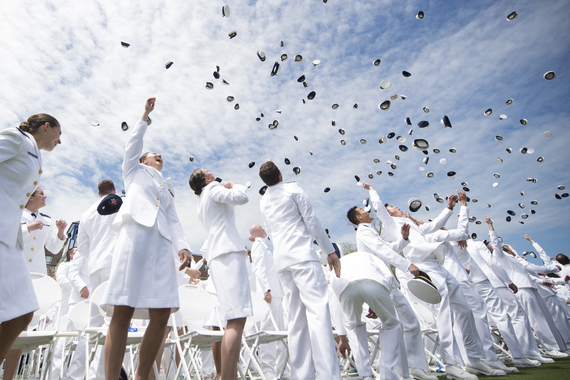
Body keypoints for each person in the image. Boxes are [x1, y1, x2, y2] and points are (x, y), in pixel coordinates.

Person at [361, 182, 503, 379]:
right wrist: (371, 190)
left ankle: (475, 360)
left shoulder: (414, 224)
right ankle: (452, 364)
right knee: (445, 314)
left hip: (438, 265)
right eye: (391, 206)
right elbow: (378, 208)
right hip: (423, 267)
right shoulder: (392, 224)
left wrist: (449, 207)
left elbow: (435, 224)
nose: (396, 206)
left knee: (465, 310)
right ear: (388, 212)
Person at [102, 98, 191, 380]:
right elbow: (132, 145)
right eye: (155, 154)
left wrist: (184, 246)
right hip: (136, 237)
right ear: (143, 160)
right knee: (123, 309)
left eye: (160, 155)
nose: (160, 157)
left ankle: (141, 377)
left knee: (163, 312)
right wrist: (145, 116)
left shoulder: (169, 186)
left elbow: (174, 219)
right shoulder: (134, 171)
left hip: (162, 243)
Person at [258, 161, 342, 380]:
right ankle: (328, 375)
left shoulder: (263, 200)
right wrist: (330, 250)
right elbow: (312, 220)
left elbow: (269, 231)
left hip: (282, 260)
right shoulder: (293, 189)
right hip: (302, 256)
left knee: (295, 318)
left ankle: (301, 375)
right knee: (318, 314)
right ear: (280, 174)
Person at [347, 187, 436, 380]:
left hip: (387, 282)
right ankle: (403, 371)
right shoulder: (363, 232)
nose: (368, 212)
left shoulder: (368, 231)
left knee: (407, 323)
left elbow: (387, 248)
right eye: (364, 212)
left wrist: (404, 239)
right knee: (398, 324)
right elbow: (383, 250)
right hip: (381, 283)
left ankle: (412, 369)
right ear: (359, 218)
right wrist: (407, 264)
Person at [0, 113, 62, 368]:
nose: (60, 141)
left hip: (9, 238)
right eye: (59, 134)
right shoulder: (16, 137)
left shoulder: (33, 153)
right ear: (46, 126)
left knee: (23, 313)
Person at [189, 168, 251, 380]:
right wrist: (234, 185)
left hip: (218, 255)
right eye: (209, 173)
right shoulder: (213, 188)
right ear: (206, 179)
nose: (212, 174)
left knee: (230, 319)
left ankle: (227, 375)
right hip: (228, 252)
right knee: (236, 318)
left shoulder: (201, 202)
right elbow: (242, 197)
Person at [486, 220, 568, 358]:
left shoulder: (513, 257)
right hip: (522, 287)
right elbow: (495, 243)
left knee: (546, 317)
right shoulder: (498, 256)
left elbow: (530, 267)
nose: (501, 245)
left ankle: (560, 347)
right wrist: (490, 226)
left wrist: (512, 251)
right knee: (537, 319)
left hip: (531, 285)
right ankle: (550, 348)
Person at [249, 224, 288, 380]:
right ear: (259, 231)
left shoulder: (265, 245)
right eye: (262, 227)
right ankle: (267, 368)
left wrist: (280, 292)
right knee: (269, 331)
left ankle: (281, 367)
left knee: (279, 330)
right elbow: (259, 268)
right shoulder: (258, 245)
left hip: (276, 293)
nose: (265, 229)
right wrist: (266, 289)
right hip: (268, 293)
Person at [21, 187, 67, 274]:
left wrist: (60, 231)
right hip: (14, 268)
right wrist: (28, 228)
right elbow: (6, 235)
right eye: (41, 194)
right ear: (30, 197)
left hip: (37, 272)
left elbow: (54, 248)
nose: (45, 196)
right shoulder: (16, 215)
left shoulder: (46, 220)